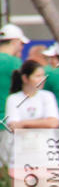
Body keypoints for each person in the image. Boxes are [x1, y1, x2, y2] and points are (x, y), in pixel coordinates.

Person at [3, 60, 59, 187]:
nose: (41, 79)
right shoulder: (14, 99)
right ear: (25, 78)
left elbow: (53, 122)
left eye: (42, 75)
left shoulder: (47, 97)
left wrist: (25, 124)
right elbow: (13, 125)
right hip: (21, 159)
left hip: (46, 158)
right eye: (37, 75)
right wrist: (37, 124)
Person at [0, 23, 29, 165]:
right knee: (6, 166)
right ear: (15, 41)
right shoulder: (16, 64)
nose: (22, 47)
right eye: (22, 44)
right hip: (7, 122)